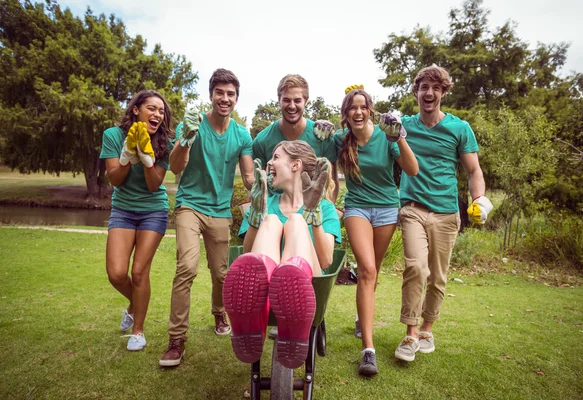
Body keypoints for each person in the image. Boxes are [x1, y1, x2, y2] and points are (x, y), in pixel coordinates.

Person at [395, 64, 493, 362]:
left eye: (436, 88)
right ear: (416, 91)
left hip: (447, 213)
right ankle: (410, 335)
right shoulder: (404, 127)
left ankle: (426, 329)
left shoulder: (459, 129)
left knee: (437, 277)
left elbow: (474, 170)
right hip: (412, 208)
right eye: (424, 86)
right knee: (416, 268)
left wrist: (481, 199)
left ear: (443, 93)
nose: (429, 92)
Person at [159, 69, 254, 367]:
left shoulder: (241, 135)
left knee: (221, 273)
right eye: (220, 93)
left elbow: (249, 176)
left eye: (230, 94)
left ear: (236, 99)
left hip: (220, 210)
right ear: (211, 94)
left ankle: (218, 312)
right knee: (186, 266)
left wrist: (266, 184)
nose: (225, 98)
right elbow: (176, 166)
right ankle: (176, 340)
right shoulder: (193, 124)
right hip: (189, 205)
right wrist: (186, 138)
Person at [223, 140, 341, 369]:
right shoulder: (265, 203)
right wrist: (256, 215)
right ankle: (256, 320)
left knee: (296, 221)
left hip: (309, 283)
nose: (269, 162)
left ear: (296, 165)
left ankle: (290, 280)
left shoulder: (324, 207)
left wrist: (313, 214)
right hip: (266, 287)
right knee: (271, 219)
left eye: (276, 157)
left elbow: (326, 260)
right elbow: (247, 257)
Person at [334, 87, 419, 376]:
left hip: (386, 209)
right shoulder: (340, 140)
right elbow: (314, 154)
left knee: (374, 271)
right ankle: (368, 351)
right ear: (345, 115)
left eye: (362, 107)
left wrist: (399, 137)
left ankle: (362, 317)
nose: (357, 112)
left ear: (370, 110)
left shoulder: (386, 136)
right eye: (351, 108)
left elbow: (412, 168)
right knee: (367, 270)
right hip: (356, 208)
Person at [100, 89, 174, 351]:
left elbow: (154, 185)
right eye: (152, 109)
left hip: (153, 210)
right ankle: (135, 304)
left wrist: (146, 156)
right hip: (123, 209)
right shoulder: (113, 135)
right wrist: (127, 155)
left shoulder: (165, 143)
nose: (157, 114)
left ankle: (138, 331)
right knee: (117, 273)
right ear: (136, 110)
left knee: (139, 272)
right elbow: (114, 179)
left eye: (161, 111)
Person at [252, 74, 339, 199]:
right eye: (286, 100)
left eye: (297, 100)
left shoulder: (323, 137)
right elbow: (258, 184)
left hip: (313, 210)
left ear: (306, 102)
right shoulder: (262, 140)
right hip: (273, 212)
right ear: (279, 101)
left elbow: (332, 182)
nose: (292, 106)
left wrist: (330, 212)